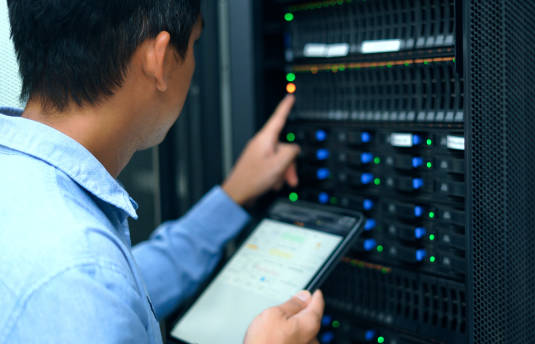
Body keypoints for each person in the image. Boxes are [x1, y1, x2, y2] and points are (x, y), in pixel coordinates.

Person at [0, 1, 324, 343]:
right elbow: (93, 281)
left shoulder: (23, 183)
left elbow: (124, 284)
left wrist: (232, 196)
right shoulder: (80, 272)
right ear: (161, 59)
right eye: (195, 43)